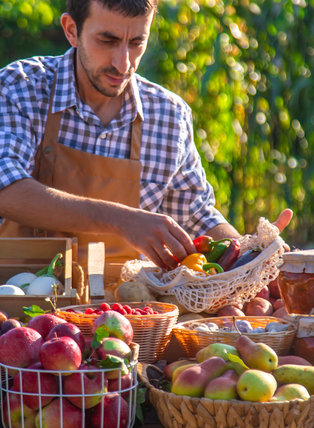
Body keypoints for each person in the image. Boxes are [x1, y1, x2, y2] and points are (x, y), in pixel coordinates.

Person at [0, 0, 292, 280]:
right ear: (72, 30)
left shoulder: (168, 115)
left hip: (127, 315)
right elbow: (6, 188)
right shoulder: (22, 88)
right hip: (20, 307)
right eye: (108, 40)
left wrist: (251, 253)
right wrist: (121, 220)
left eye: (137, 42)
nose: (123, 63)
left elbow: (196, 215)